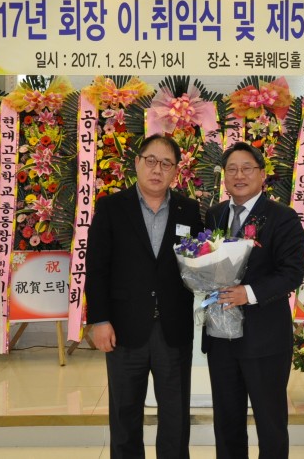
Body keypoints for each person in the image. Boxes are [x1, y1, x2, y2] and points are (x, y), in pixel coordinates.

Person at [85, 134, 203, 459]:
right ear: (137, 162)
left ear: (176, 171)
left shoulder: (188, 211)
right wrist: (99, 319)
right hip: (124, 330)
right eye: (151, 160)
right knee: (124, 416)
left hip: (173, 331)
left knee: (175, 419)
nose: (157, 169)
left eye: (166, 163)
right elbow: (96, 268)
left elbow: (198, 264)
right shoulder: (111, 208)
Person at [204, 142, 304, 459]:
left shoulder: (282, 217)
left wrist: (246, 294)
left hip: (264, 340)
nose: (239, 175)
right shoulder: (215, 215)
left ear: (262, 174)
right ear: (224, 176)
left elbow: (292, 273)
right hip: (221, 338)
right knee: (227, 422)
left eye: (247, 168)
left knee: (270, 422)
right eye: (232, 169)